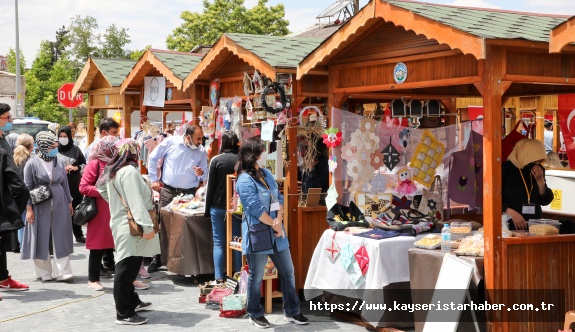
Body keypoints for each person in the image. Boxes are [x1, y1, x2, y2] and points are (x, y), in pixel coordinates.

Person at [236, 137, 308, 328]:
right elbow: (255, 208)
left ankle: (292, 311)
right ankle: (254, 313)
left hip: (277, 231)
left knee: (288, 272)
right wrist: (274, 224)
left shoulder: (265, 174)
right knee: (257, 275)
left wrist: (279, 218)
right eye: (261, 151)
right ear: (253, 155)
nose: (265, 154)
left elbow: (278, 197)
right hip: (258, 232)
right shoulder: (244, 179)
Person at [97, 139, 159, 325]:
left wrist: (117, 202)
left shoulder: (114, 170)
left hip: (121, 223)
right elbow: (135, 201)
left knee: (129, 267)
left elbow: (102, 190)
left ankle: (132, 302)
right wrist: (147, 228)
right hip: (131, 226)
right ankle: (124, 313)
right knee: (125, 269)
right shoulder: (129, 171)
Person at [147, 125, 208, 273]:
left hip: (188, 194)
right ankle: (158, 258)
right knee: (163, 225)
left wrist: (200, 173)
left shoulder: (201, 151)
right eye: (198, 138)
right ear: (188, 137)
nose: (201, 141)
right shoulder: (170, 142)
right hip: (168, 191)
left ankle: (182, 263)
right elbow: (153, 158)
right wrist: (154, 179)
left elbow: (205, 175)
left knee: (183, 227)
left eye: (201, 138)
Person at [21, 131, 75, 282]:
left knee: (61, 235)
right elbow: (27, 187)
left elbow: (65, 183)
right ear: (44, 146)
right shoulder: (31, 163)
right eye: (52, 146)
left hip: (59, 200)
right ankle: (43, 271)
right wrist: (29, 209)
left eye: (56, 145)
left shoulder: (59, 161)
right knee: (40, 235)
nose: (55, 148)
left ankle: (63, 271)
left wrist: (69, 202)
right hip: (39, 203)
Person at [0, 103, 31, 295]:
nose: (10, 121)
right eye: (7, 118)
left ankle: (3, 277)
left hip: (4, 199)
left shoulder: (3, 140)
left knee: (2, 241)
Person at [79, 136, 117, 291]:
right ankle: (93, 278)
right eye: (112, 147)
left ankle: (128, 278)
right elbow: (83, 187)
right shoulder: (94, 163)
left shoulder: (117, 162)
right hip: (100, 210)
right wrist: (104, 191)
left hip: (116, 208)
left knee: (120, 244)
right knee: (98, 245)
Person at [204, 131, 241, 283]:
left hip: (217, 206)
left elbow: (210, 188)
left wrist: (207, 210)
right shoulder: (241, 160)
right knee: (238, 241)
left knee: (218, 242)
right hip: (237, 207)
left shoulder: (216, 160)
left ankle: (218, 277)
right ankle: (239, 275)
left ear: (222, 143)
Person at [502, 138, 554, 231]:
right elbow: (493, 198)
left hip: (534, 225)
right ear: (524, 155)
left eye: (540, 161)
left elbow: (545, 200)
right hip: (509, 223)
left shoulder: (538, 170)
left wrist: (540, 180)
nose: (537, 164)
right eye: (534, 161)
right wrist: (510, 213)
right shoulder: (505, 169)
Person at [58, 126, 87, 243]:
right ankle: (62, 235)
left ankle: (78, 234)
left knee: (76, 210)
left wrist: (75, 167)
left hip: (74, 184)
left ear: (70, 137)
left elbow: (85, 165)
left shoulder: (76, 150)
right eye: (60, 136)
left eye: (65, 136)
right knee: (62, 212)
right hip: (60, 184)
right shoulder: (55, 150)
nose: (63, 138)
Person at [13, 133, 35, 251]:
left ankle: (22, 246)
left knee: (21, 221)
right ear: (31, 146)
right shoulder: (31, 160)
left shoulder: (13, 158)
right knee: (28, 220)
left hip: (15, 195)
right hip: (27, 195)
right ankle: (28, 247)